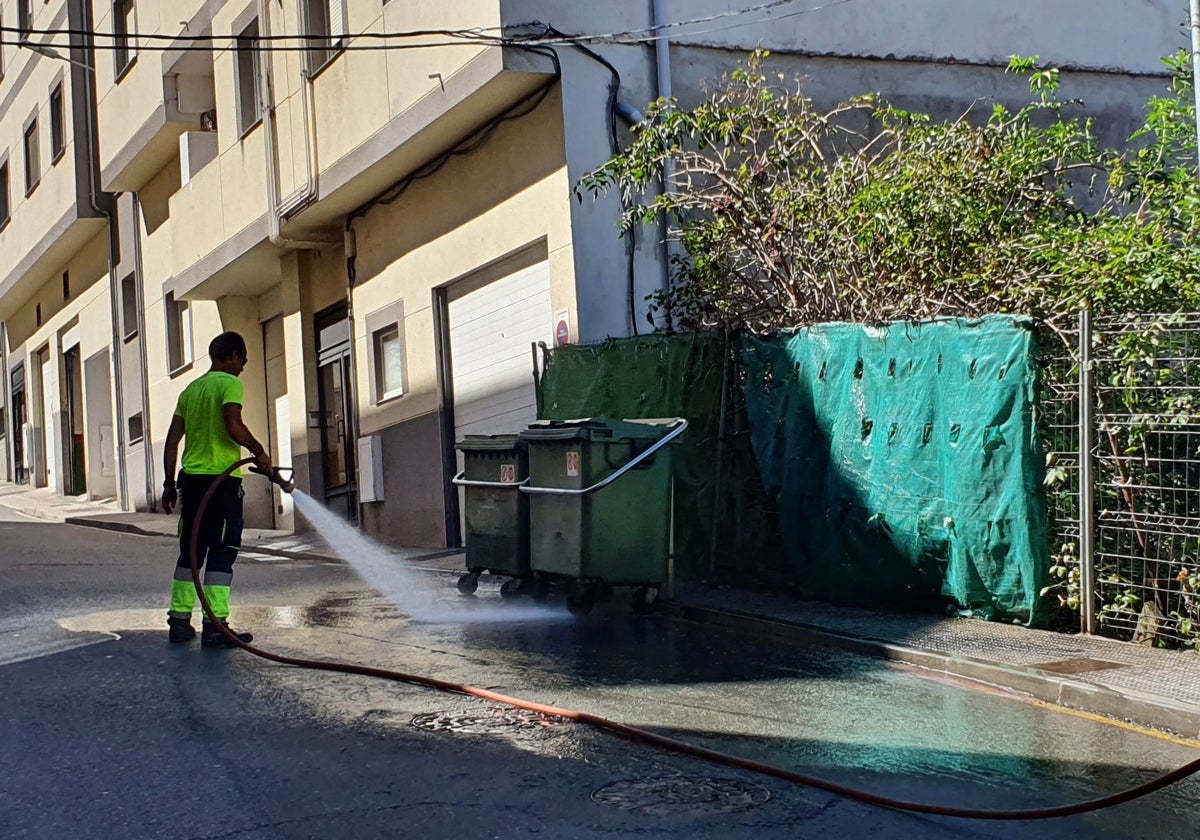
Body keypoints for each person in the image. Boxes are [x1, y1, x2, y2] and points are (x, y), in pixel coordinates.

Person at [162, 331, 272, 647]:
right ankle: (215, 625)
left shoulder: (190, 390)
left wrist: (169, 483)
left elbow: (172, 440)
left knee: (191, 552)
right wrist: (259, 451)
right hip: (221, 483)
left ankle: (179, 623)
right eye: (242, 358)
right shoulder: (229, 383)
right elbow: (233, 426)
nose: (244, 364)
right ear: (230, 356)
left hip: (192, 484)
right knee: (223, 551)